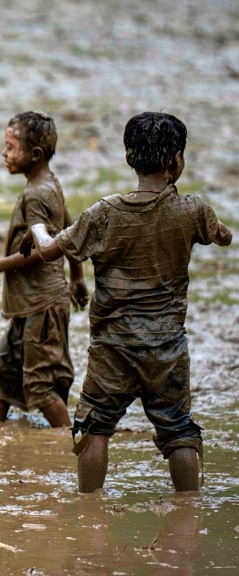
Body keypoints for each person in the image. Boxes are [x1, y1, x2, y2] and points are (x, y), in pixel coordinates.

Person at [21, 111, 232, 492]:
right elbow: (223, 237)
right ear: (176, 161)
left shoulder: (103, 214)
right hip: (167, 347)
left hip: (112, 348)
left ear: (129, 157)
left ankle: (90, 514)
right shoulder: (193, 210)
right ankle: (188, 510)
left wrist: (35, 226)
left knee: (94, 426)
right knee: (179, 429)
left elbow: (51, 249)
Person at [0, 111, 88, 428]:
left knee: (39, 384)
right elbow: (70, 229)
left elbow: (46, 248)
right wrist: (77, 277)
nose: (4, 153)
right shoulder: (51, 184)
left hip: (41, 304)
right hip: (31, 305)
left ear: (34, 155)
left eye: (10, 147)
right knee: (2, 369)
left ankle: (67, 439)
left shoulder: (36, 195)